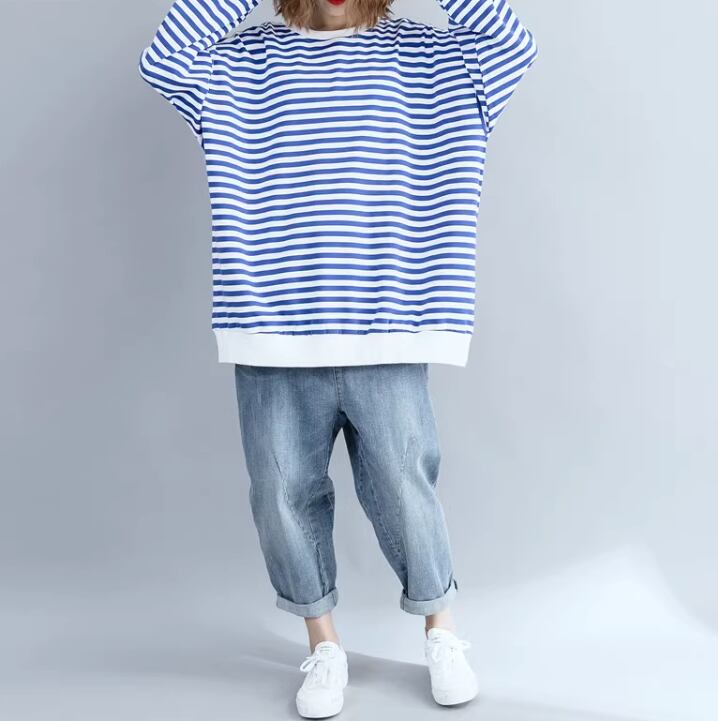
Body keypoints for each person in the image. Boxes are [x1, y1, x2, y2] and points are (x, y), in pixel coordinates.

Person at [138, 0, 537, 716]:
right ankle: (324, 645)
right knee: (281, 494)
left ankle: (441, 631)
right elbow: (161, 58)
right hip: (272, 323)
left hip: (392, 322)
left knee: (405, 485)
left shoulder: (439, 59)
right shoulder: (237, 64)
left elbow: (514, 43)